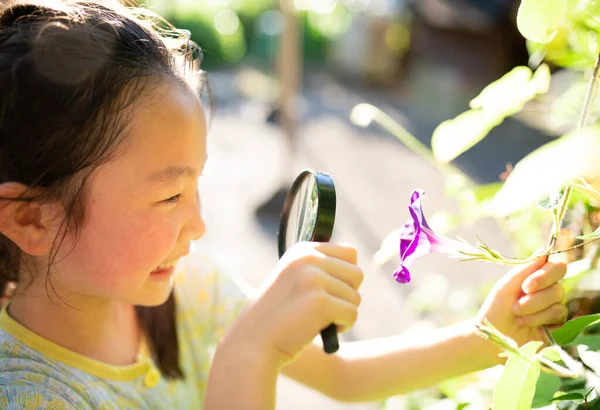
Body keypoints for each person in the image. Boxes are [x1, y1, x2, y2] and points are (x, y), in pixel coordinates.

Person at [0, 0, 568, 409]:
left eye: (197, 186)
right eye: (169, 195)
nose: (197, 225)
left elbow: (341, 377)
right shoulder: (29, 394)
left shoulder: (185, 288)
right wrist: (253, 349)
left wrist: (488, 333)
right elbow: (262, 354)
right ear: (32, 218)